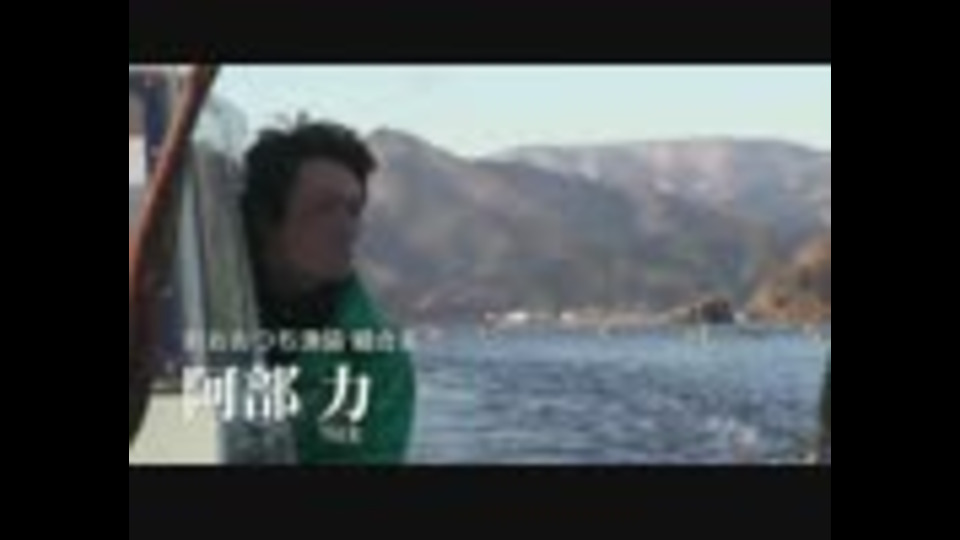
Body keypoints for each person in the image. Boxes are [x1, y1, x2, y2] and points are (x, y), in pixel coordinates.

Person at [241, 120, 416, 464]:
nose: (347, 228)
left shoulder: (376, 360)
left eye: (353, 210)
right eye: (324, 209)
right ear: (264, 219)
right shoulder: (194, 302)